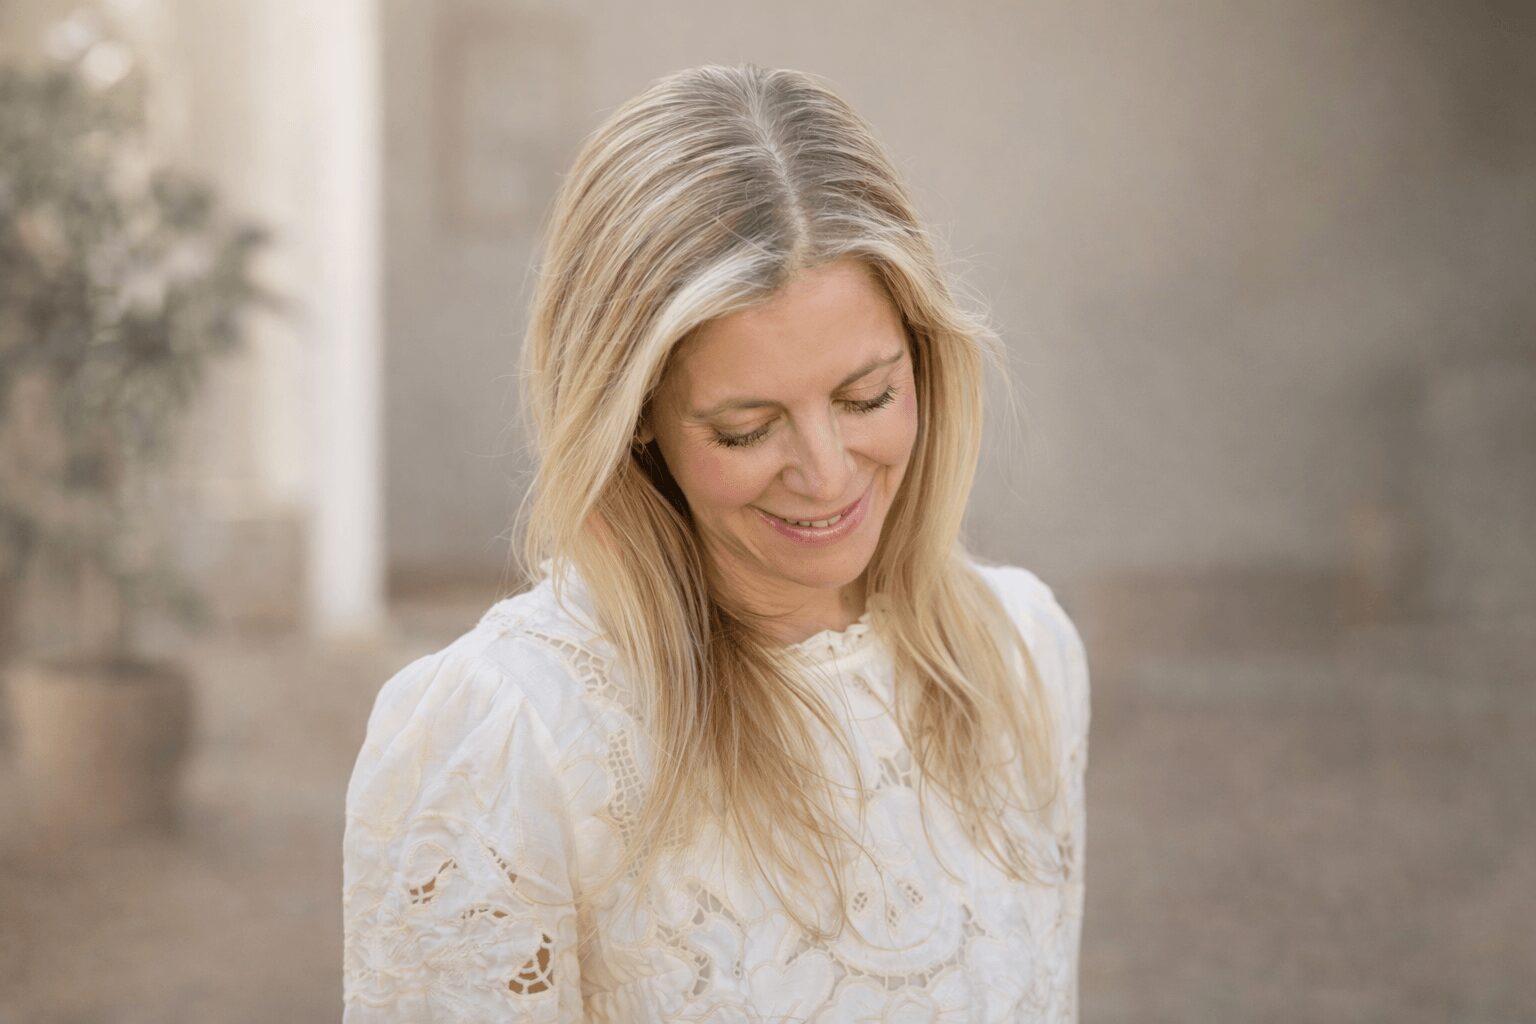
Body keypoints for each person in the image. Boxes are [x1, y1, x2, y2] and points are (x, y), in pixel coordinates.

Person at [342, 63, 1090, 1022]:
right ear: (635, 414)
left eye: (867, 398)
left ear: (926, 359)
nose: (824, 473)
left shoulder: (1026, 655)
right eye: (746, 429)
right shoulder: (511, 735)